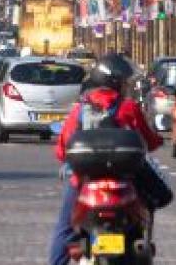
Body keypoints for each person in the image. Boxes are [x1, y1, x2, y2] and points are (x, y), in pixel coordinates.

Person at [48, 53, 162, 265]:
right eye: (124, 82)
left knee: (64, 231)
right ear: (115, 82)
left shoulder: (79, 109)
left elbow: (62, 151)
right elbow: (150, 142)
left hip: (84, 181)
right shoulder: (129, 108)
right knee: (152, 202)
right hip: (124, 180)